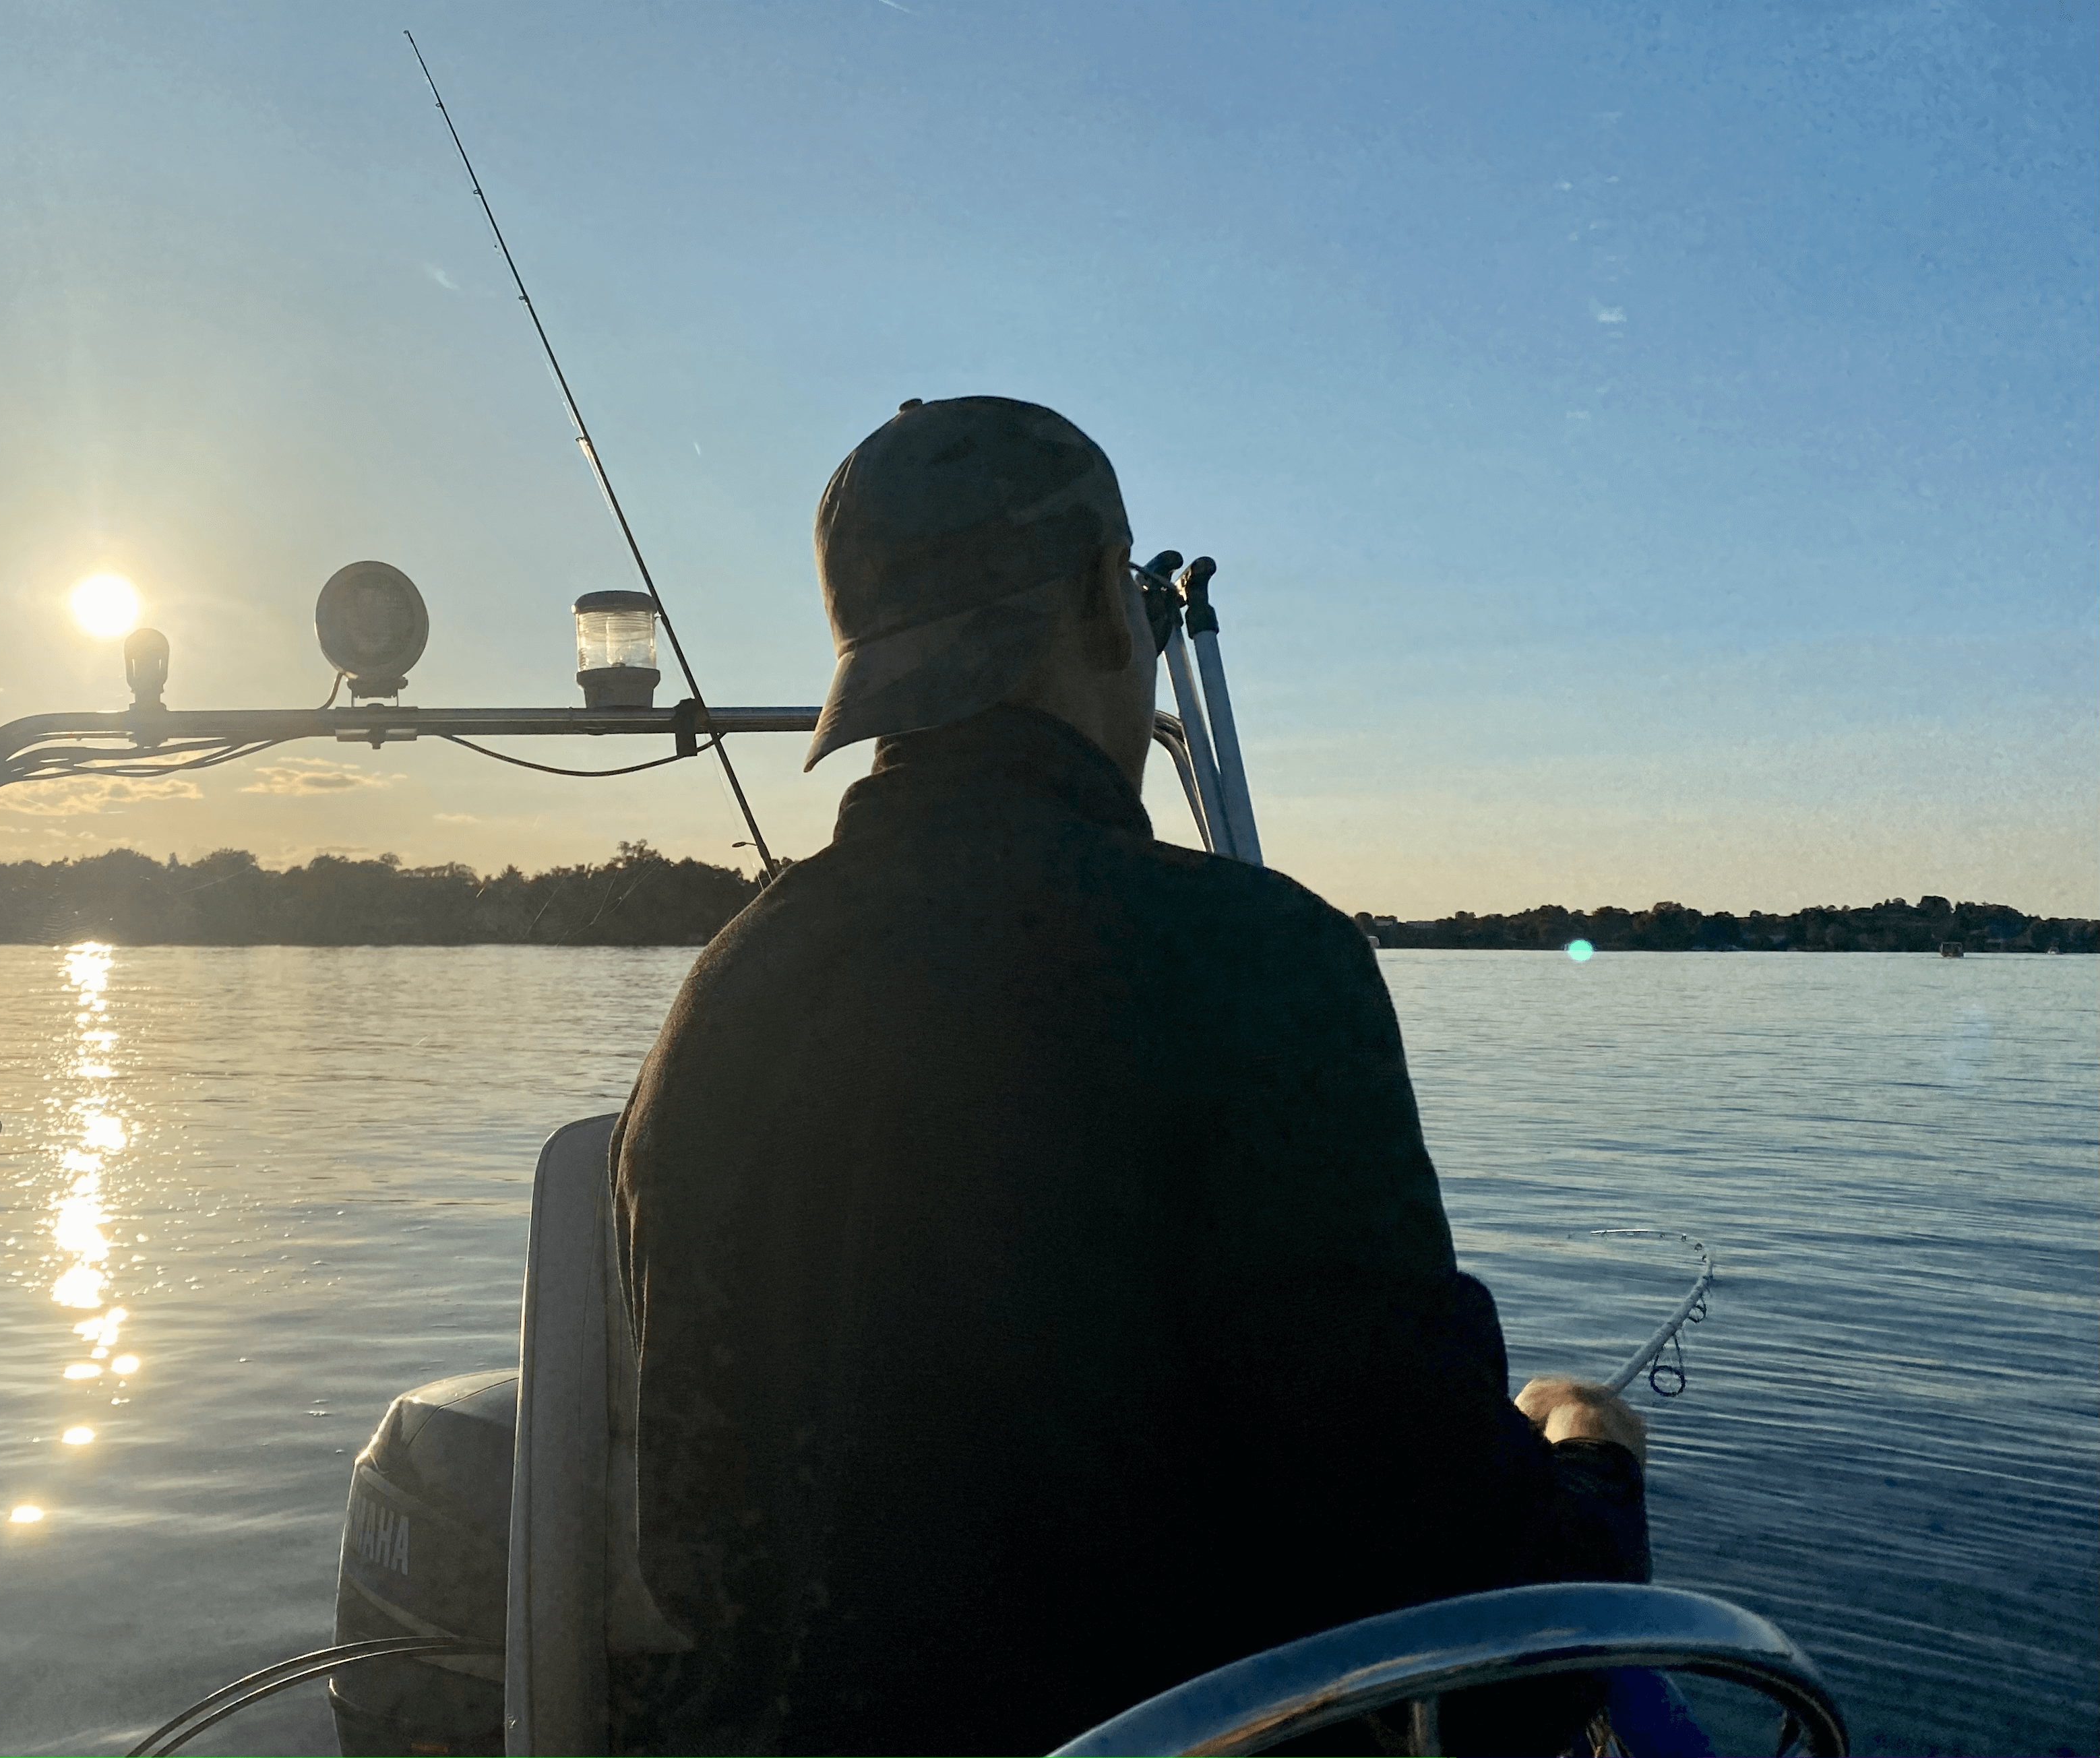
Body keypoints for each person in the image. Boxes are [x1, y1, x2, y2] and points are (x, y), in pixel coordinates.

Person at [607, 396, 1649, 1756]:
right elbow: (1494, 1615)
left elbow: (710, 1539)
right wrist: (1590, 1453)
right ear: (1111, 599)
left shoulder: (722, 999)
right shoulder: (1264, 965)